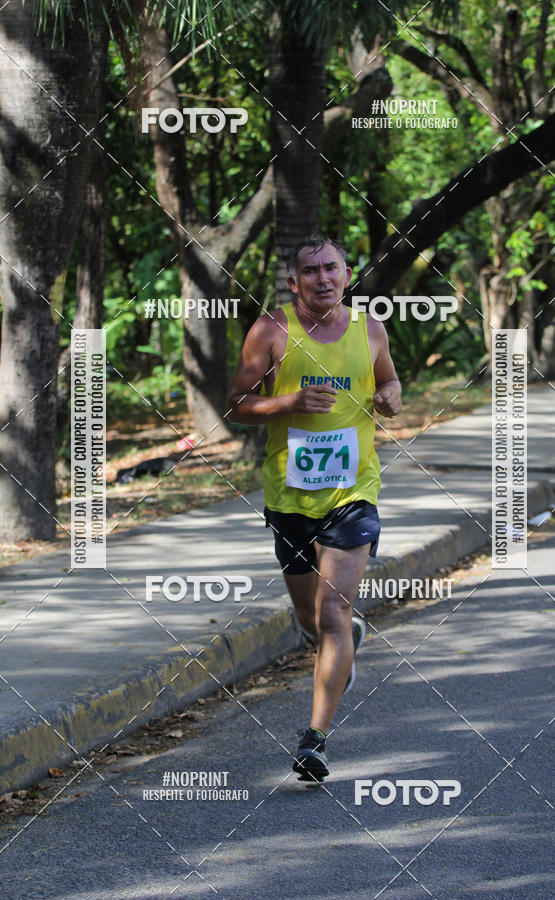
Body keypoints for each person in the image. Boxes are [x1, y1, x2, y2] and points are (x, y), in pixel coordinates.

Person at [225, 236, 402, 782]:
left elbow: (389, 379)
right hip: (289, 494)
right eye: (311, 270)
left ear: (347, 273)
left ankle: (315, 741)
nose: (323, 278)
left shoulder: (370, 329)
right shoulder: (272, 331)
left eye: (331, 268)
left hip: (353, 493)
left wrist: (392, 394)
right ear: (293, 282)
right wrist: (290, 402)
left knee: (332, 615)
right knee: (310, 618)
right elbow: (236, 404)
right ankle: (348, 641)